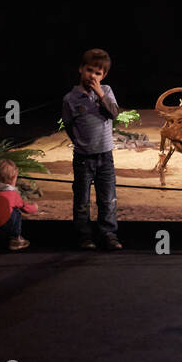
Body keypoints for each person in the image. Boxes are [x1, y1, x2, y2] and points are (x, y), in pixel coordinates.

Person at [62, 48, 123, 250]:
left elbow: (114, 114)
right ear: (81, 69)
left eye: (98, 73)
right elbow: (70, 125)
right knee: (82, 199)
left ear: (103, 76)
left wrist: (100, 94)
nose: (93, 76)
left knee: (107, 198)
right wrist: (80, 142)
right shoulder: (70, 99)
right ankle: (83, 236)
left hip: (105, 156)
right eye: (89, 70)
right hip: (83, 158)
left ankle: (108, 233)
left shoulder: (106, 91)